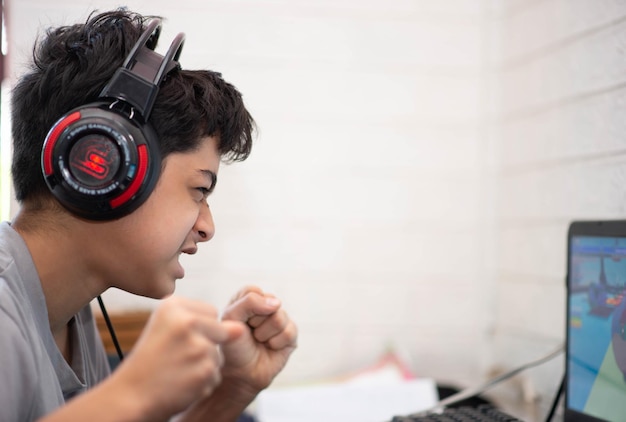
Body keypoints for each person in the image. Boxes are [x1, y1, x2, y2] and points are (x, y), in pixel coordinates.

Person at [0, 8, 297, 422]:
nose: (206, 226)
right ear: (101, 162)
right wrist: (133, 393)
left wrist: (234, 390)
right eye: (199, 190)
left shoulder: (73, 315)